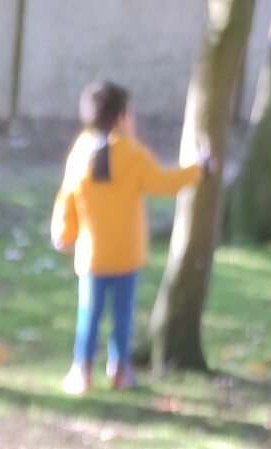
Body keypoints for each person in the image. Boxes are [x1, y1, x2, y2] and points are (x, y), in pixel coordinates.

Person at [52, 80, 211, 393]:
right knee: (122, 317)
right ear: (121, 116)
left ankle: (81, 371)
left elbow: (67, 197)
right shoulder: (133, 154)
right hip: (127, 254)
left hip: (92, 255)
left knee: (89, 315)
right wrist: (199, 170)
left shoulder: (80, 152)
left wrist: (63, 231)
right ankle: (120, 371)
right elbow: (164, 183)